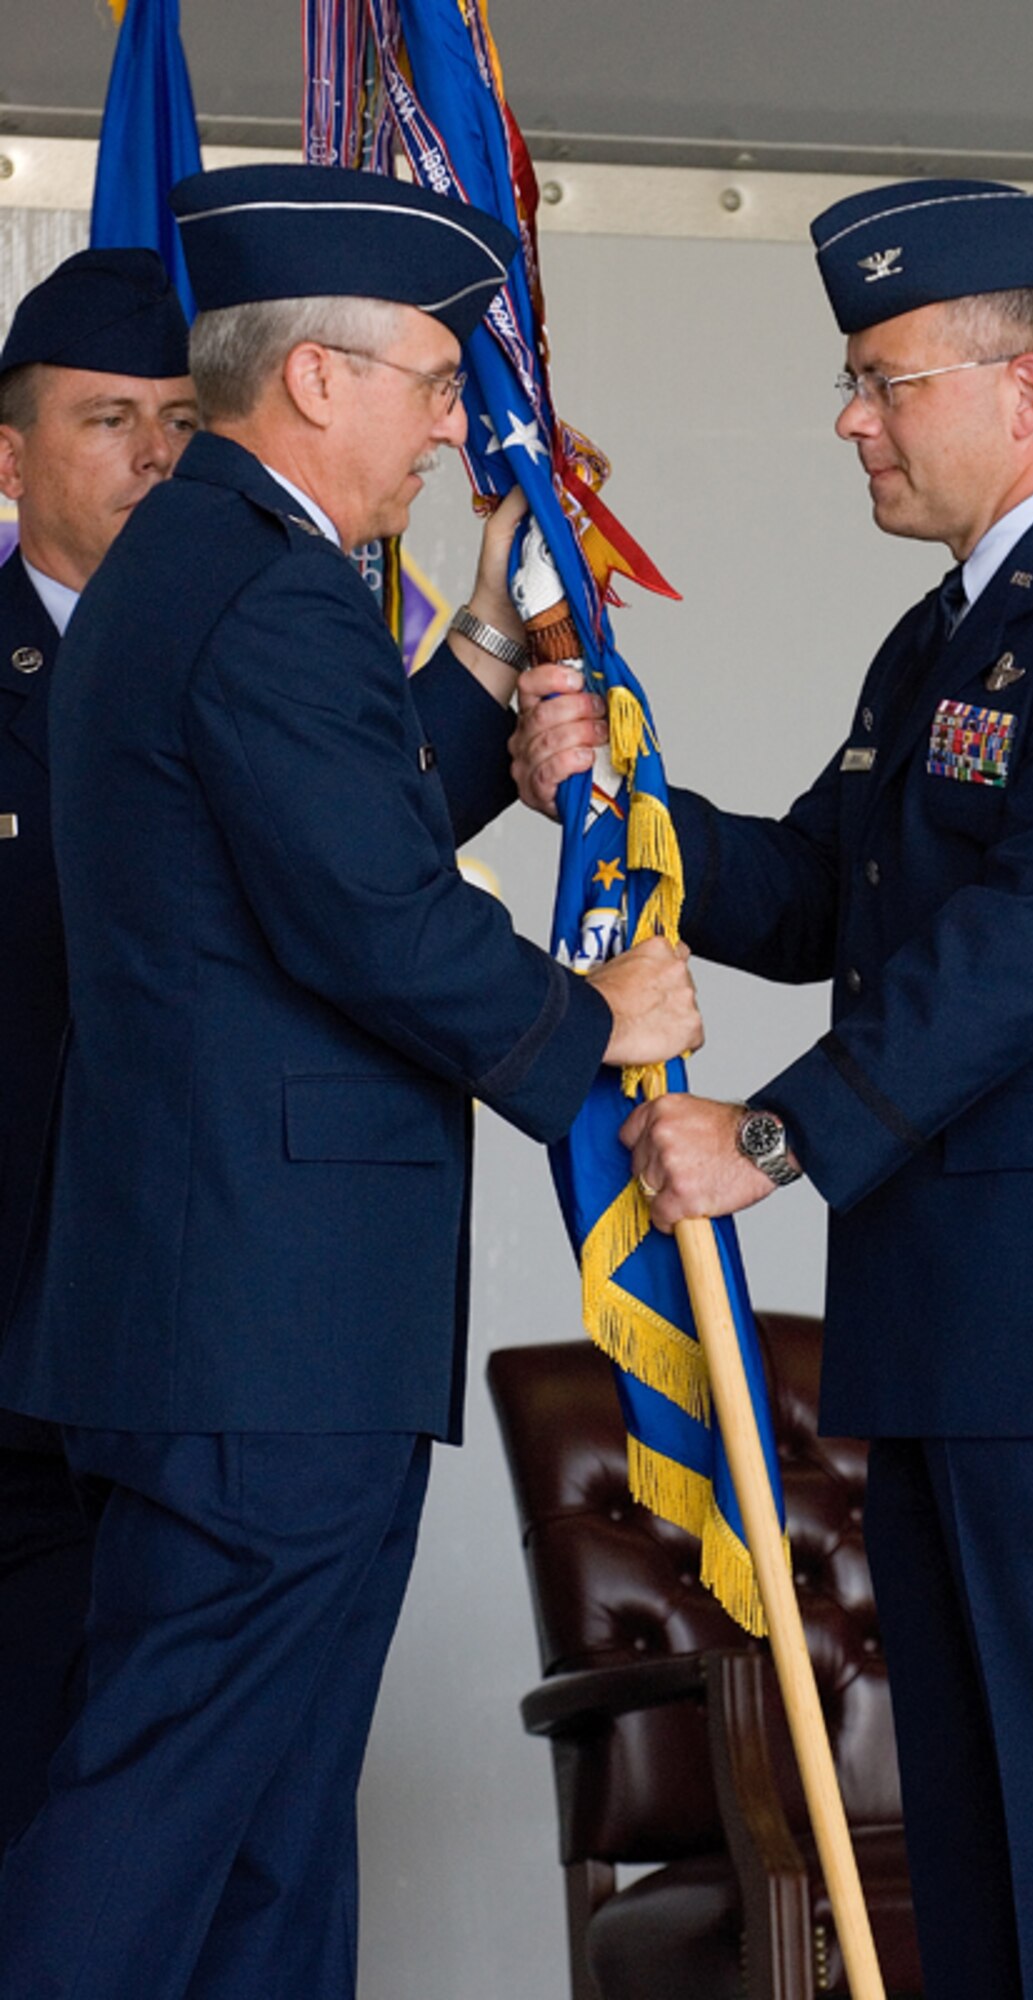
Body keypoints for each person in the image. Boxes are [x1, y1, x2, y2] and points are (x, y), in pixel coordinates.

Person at [510, 178, 1033, 2000]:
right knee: (979, 1841)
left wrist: (773, 1136)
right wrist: (612, 809)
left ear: (1024, 390)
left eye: (882, 379)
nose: (850, 417)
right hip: (968, 1332)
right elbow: (825, 887)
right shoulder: (953, 628)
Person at [0, 164, 700, 2000]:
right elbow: (373, 916)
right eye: (433, 382)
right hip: (258, 1327)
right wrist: (594, 1020)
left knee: (272, 1832)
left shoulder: (216, 567)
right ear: (317, 377)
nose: (451, 423)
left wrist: (481, 638)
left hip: (248, 1319)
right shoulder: (262, 584)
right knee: (164, 1816)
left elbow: (321, 818)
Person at [0, 246, 196, 1855]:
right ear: (12, 457)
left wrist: (491, 649)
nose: (154, 459)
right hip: (7, 1369)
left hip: (187, 1364)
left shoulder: (244, 650)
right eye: (109, 418)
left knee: (187, 1835)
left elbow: (359, 865)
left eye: (190, 422)